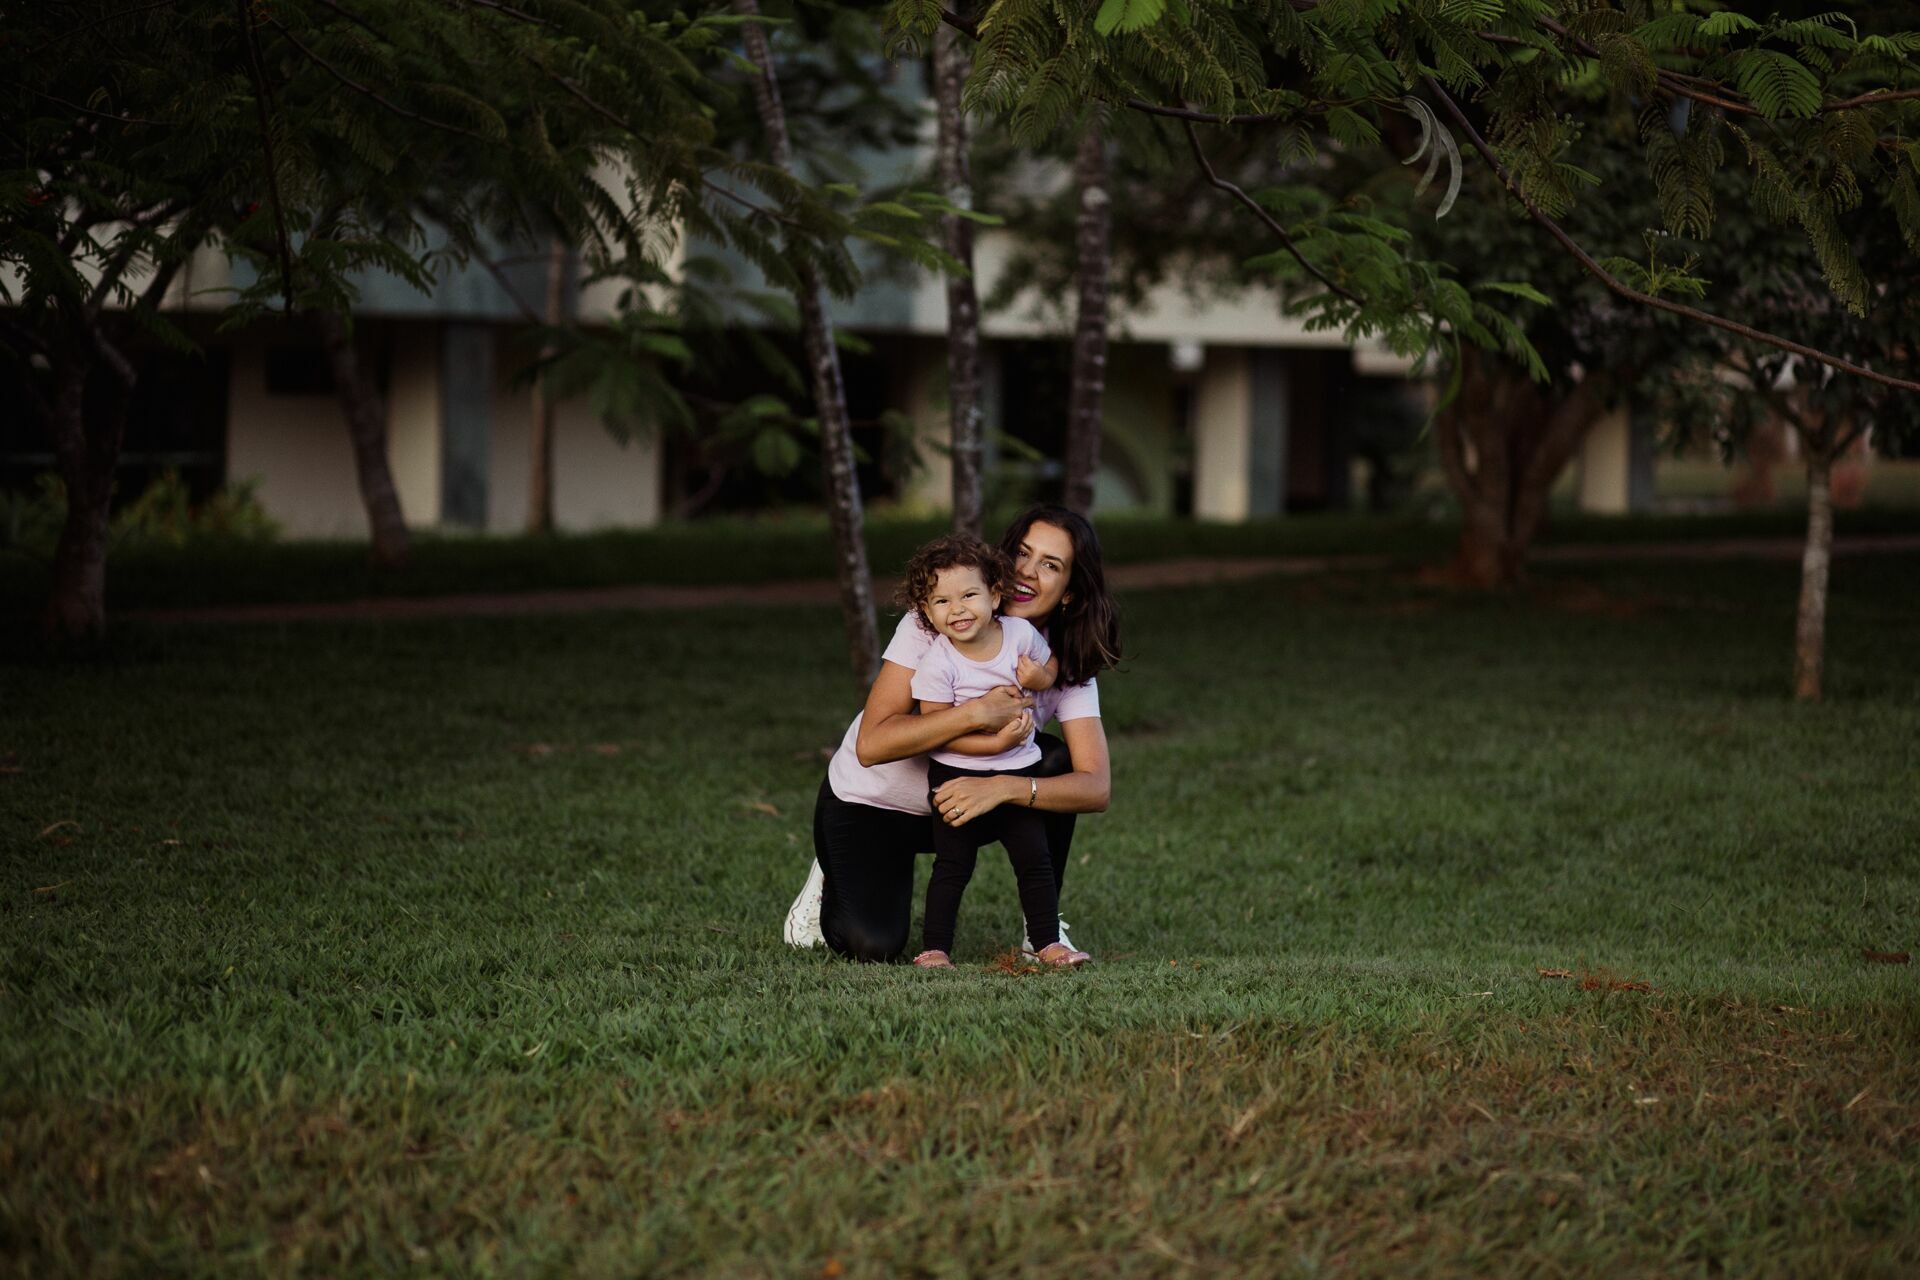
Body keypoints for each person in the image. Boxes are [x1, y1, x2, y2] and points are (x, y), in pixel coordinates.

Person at [783, 505, 1122, 962]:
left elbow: (1095, 786)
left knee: (1055, 762)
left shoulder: (1059, 662)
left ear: (1069, 593)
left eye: (1050, 564)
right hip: (873, 804)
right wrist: (976, 714)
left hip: (963, 805)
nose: (1027, 572)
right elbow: (872, 744)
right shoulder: (940, 620)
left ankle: (1041, 931)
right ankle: (833, 875)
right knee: (874, 944)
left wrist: (1005, 788)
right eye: (1023, 553)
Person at [895, 533, 1089, 968]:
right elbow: (936, 731)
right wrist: (994, 741)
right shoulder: (938, 663)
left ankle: (1046, 943)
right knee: (953, 865)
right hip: (954, 777)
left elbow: (1051, 663)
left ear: (995, 594)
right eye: (941, 602)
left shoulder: (1019, 634)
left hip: (1017, 772)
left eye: (968, 595)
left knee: (1034, 859)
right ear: (926, 611)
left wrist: (1040, 679)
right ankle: (935, 949)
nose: (958, 609)